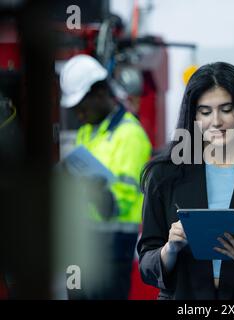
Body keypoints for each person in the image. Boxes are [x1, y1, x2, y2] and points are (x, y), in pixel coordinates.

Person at [137, 62, 234, 300]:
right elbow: (147, 266)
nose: (216, 122)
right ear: (193, 116)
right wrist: (170, 249)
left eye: (226, 109)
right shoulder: (164, 176)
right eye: (205, 112)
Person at [59, 54, 151, 299]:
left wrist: (92, 189)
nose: (79, 115)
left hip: (111, 249)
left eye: (82, 107)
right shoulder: (87, 132)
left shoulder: (130, 136)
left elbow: (114, 206)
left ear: (100, 93)